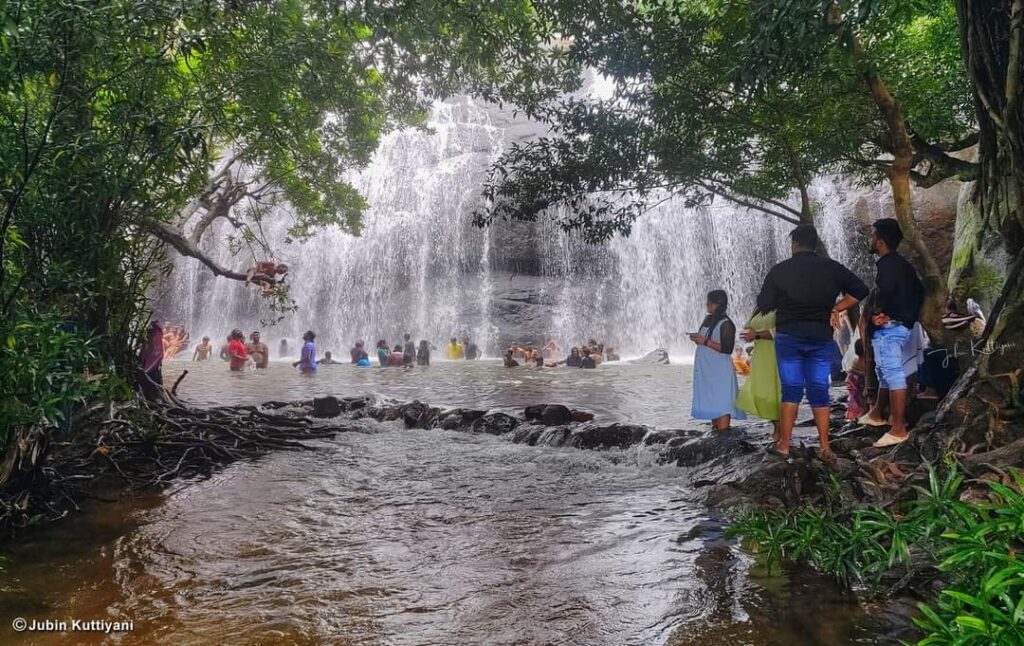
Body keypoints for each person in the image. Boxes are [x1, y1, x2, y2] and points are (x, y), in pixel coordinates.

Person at [756, 224, 868, 462]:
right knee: (819, 390)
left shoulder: (780, 270)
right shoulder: (831, 268)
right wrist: (836, 307)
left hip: (789, 338)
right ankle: (825, 447)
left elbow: (764, 303)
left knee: (791, 390)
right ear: (815, 244)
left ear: (794, 244)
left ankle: (784, 445)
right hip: (819, 338)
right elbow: (861, 289)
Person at [859, 218, 925, 448]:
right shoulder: (903, 265)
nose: (870, 239)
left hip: (891, 328)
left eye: (872, 236)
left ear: (880, 241)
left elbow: (884, 293)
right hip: (901, 325)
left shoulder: (887, 266)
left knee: (893, 373)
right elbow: (919, 291)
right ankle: (877, 413)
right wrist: (908, 316)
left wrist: (881, 314)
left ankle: (898, 429)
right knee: (884, 371)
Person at [689, 290, 746, 432]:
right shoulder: (708, 320)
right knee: (713, 402)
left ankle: (723, 436)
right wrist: (697, 339)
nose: (707, 305)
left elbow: (727, 348)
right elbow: (705, 340)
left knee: (723, 403)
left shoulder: (727, 324)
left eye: (709, 303)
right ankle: (716, 432)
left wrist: (705, 341)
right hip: (708, 369)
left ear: (717, 304)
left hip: (720, 370)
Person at [736, 309, 781, 441]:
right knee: (761, 393)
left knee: (775, 392)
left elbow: (783, 330)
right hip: (760, 354)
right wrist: (749, 333)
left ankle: (780, 430)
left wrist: (757, 334)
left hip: (775, 352)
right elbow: (747, 326)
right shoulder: (760, 308)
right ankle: (776, 427)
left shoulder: (782, 304)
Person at [139, 321, 164, 400]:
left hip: (151, 360)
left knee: (152, 378)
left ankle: (153, 396)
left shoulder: (154, 332)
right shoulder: (157, 332)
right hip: (152, 360)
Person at [845, 340, 867, 422]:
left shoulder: (855, 360)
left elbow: (851, 370)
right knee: (862, 404)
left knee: (857, 402)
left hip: (856, 387)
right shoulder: (865, 362)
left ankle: (857, 414)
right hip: (859, 387)